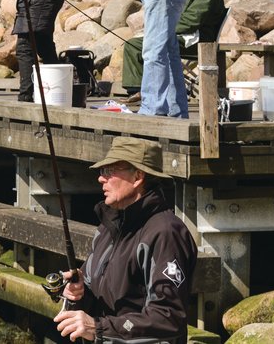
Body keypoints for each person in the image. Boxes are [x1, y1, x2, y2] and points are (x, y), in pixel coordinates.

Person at [53, 136, 197, 344]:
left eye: (110, 171)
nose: (101, 179)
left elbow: (168, 317)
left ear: (138, 176)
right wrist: (78, 292)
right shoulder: (108, 227)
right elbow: (93, 287)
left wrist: (98, 328)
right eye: (102, 172)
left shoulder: (166, 233)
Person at [121, 0, 227, 98]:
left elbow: (192, 21)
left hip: (197, 40)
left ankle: (141, 91)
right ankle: (139, 90)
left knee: (135, 45)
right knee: (135, 43)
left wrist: (161, 29)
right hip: (184, 35)